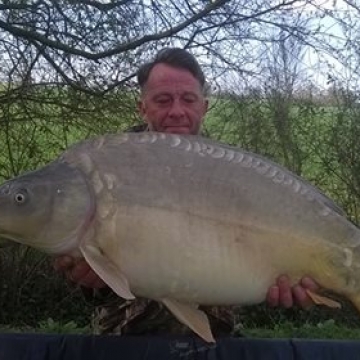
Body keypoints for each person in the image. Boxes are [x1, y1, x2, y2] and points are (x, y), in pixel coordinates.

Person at [54, 47, 320, 336]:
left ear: (203, 107)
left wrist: (287, 283)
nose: (177, 111)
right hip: (126, 336)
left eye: (188, 99)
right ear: (142, 107)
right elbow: (78, 266)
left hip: (218, 337)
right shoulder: (107, 167)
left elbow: (254, 263)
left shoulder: (233, 173)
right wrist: (85, 280)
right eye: (163, 100)